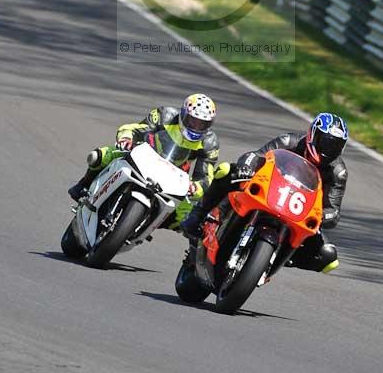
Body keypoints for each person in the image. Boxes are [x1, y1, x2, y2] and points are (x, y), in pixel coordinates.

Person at [180, 112, 348, 273]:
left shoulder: (338, 172)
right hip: (269, 190)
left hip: (299, 210)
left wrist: (323, 216)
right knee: (225, 170)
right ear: (313, 135)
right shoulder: (288, 141)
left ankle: (280, 257)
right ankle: (198, 214)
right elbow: (256, 156)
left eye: (335, 146)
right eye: (326, 143)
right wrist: (246, 167)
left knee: (328, 258)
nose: (329, 150)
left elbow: (333, 210)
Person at [68, 94, 219, 224]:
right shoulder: (164, 115)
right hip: (143, 155)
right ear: (184, 114)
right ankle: (84, 184)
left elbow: (205, 176)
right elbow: (134, 129)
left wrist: (196, 187)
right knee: (100, 155)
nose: (197, 126)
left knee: (185, 216)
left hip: (174, 176)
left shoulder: (209, 142)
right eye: (193, 121)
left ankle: (152, 222)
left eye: (202, 123)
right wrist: (126, 138)